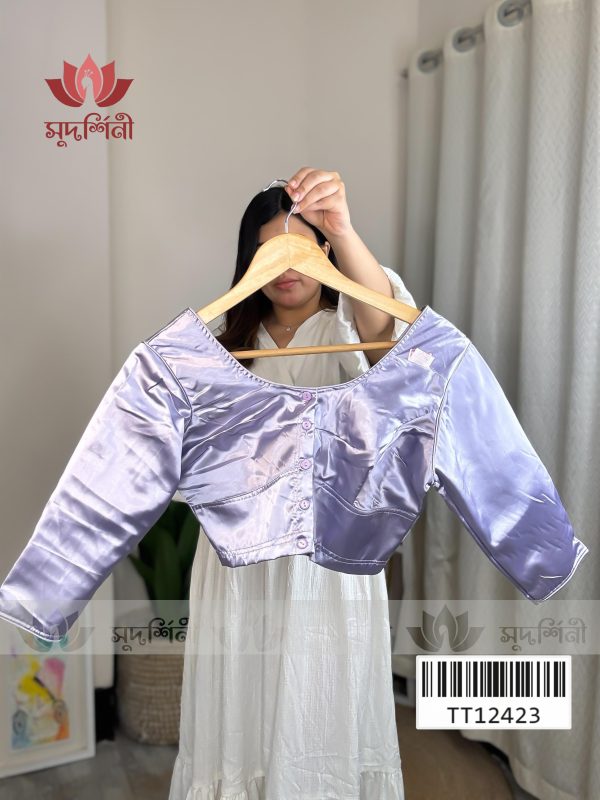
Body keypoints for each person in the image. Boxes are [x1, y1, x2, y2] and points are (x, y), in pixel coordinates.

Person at [168, 167, 416, 799]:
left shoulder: (344, 329)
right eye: (267, 252)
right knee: (240, 704)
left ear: (325, 252)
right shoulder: (218, 347)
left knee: (321, 704)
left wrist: (344, 228)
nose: (284, 267)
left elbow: (383, 330)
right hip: (239, 563)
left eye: (299, 248)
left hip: (325, 561)